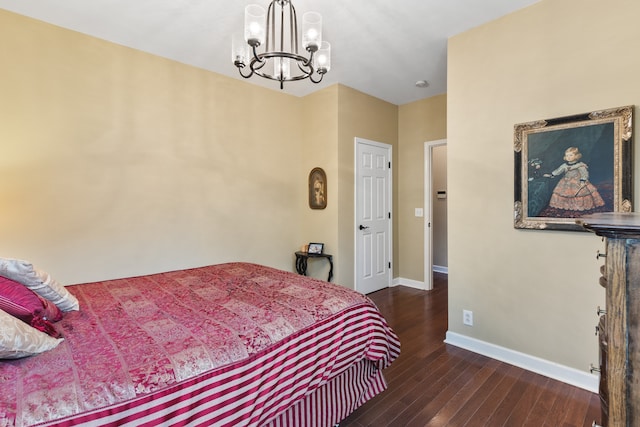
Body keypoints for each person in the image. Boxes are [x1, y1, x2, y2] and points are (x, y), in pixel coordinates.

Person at [543, 146, 605, 211]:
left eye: (571, 155)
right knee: (564, 193)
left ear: (576, 156)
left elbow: (584, 174)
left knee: (580, 193)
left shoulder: (580, 165)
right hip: (566, 181)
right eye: (567, 155)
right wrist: (552, 174)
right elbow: (558, 171)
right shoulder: (564, 165)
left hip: (577, 181)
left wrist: (583, 181)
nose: (568, 157)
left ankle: (578, 206)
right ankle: (566, 206)